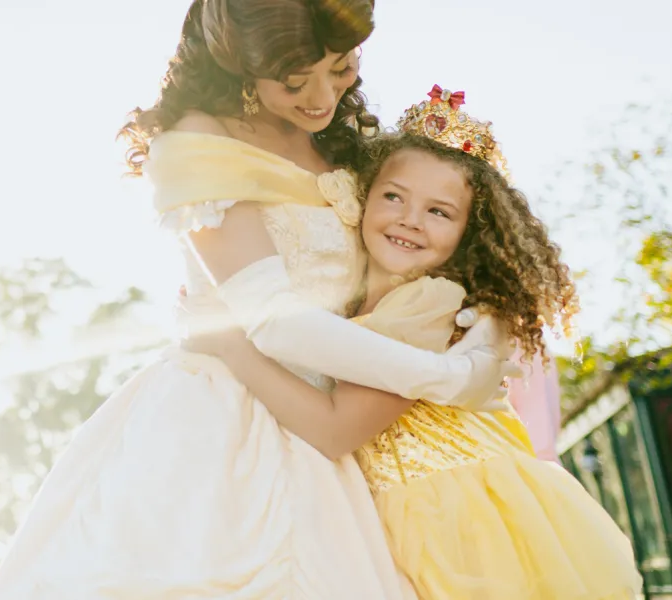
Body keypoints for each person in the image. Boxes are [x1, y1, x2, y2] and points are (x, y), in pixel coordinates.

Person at [0, 3, 515, 598]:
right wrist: (445, 377)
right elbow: (276, 325)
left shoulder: (346, 140)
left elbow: (451, 244)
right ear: (239, 63)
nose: (321, 96)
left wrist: (489, 331)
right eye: (294, 81)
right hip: (221, 419)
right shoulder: (198, 144)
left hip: (337, 420)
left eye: (340, 68)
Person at [184, 88, 644, 599]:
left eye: (439, 212)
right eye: (394, 196)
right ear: (364, 197)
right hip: (404, 514)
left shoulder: (430, 305)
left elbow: (334, 429)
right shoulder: (360, 302)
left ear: (471, 232)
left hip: (460, 520)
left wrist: (230, 345)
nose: (410, 219)